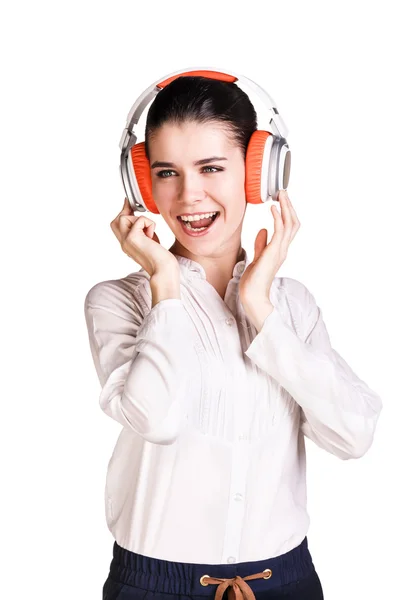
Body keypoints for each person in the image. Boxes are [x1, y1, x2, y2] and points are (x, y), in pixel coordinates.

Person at [84, 74, 383, 600]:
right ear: (142, 183)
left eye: (211, 168)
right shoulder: (118, 301)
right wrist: (164, 283)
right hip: (154, 586)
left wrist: (261, 309)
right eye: (166, 172)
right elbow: (158, 419)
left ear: (256, 174)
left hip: (285, 581)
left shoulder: (291, 305)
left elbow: (353, 435)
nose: (188, 195)